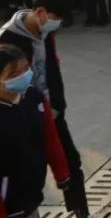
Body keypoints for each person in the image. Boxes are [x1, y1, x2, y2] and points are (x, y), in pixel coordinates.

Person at [0, 0, 89, 218]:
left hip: (49, 110)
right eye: (55, 18)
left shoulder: (45, 33)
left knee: (71, 162)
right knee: (23, 170)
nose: (56, 24)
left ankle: (80, 210)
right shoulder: (8, 40)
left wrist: (58, 105)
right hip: (21, 115)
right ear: (40, 11)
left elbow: (52, 69)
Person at [0, 43, 73, 218]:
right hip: (8, 204)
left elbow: (50, 137)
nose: (24, 77)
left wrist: (61, 172)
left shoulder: (34, 97)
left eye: (26, 69)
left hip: (32, 193)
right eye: (14, 75)